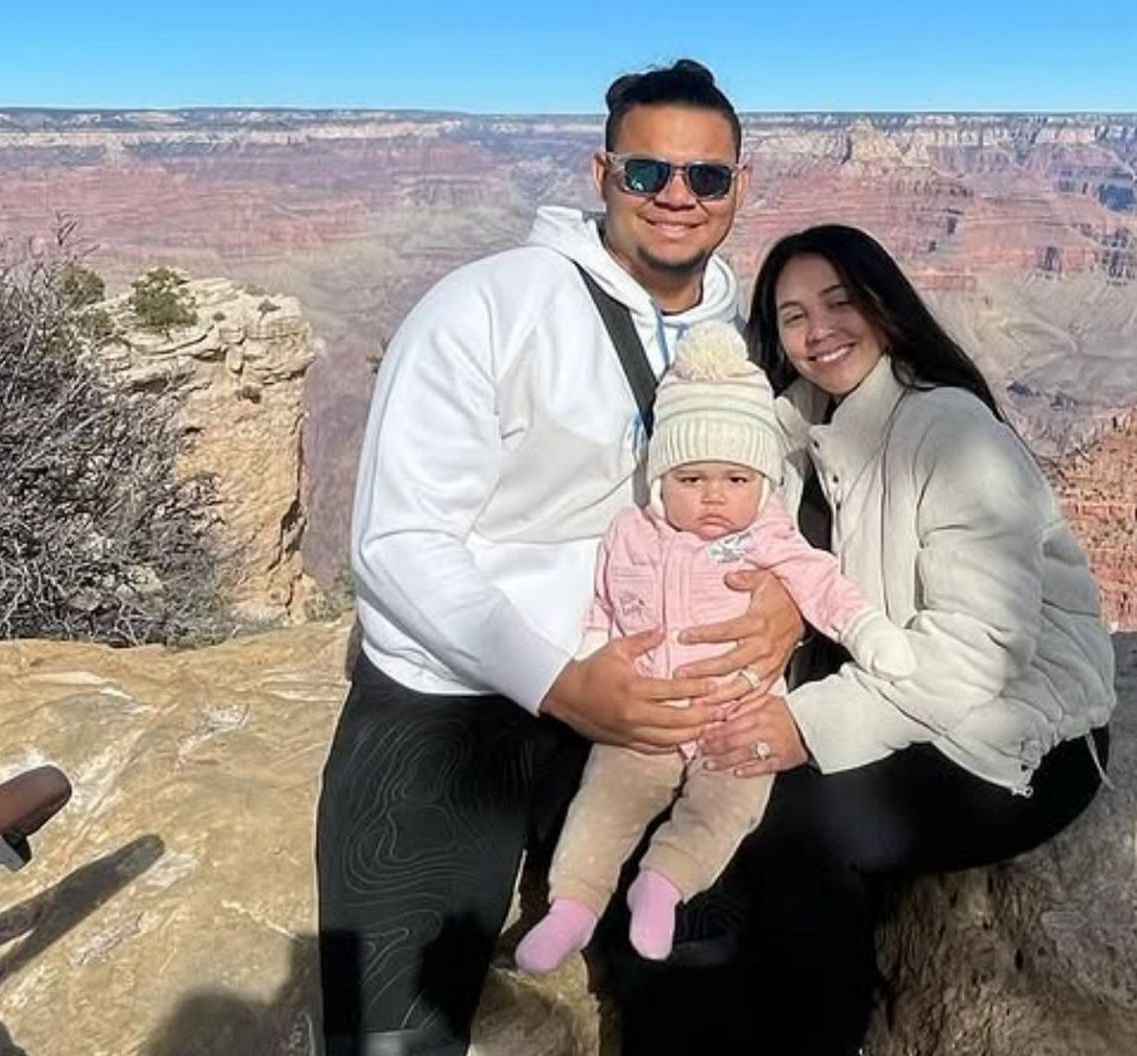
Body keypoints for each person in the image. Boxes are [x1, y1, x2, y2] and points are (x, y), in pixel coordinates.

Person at [315, 60, 804, 1056]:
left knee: (705, 976)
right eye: (648, 171)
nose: (678, 197)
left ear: (739, 188)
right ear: (601, 172)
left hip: (654, 700)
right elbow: (399, 547)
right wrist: (563, 684)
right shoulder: (485, 309)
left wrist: (787, 604)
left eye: (706, 178)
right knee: (394, 1025)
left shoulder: (738, 334)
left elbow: (776, 485)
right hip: (457, 706)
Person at [671, 222, 1120, 1056]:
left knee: (792, 828)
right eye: (793, 315)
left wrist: (807, 728)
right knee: (714, 793)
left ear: (885, 308)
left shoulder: (952, 435)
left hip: (1025, 733)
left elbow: (980, 653)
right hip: (916, 696)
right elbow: (722, 460)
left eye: (841, 303)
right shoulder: (807, 422)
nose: (818, 332)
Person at [512, 323, 914, 974]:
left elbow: (822, 585)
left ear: (761, 483)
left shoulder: (768, 536)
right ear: (660, 479)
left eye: (735, 478)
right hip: (647, 716)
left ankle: (661, 888)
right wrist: (591, 657)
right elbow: (602, 605)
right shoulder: (629, 535)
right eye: (691, 478)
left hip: (737, 717)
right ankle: (572, 909)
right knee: (602, 804)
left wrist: (867, 632)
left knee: (726, 810)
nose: (714, 497)